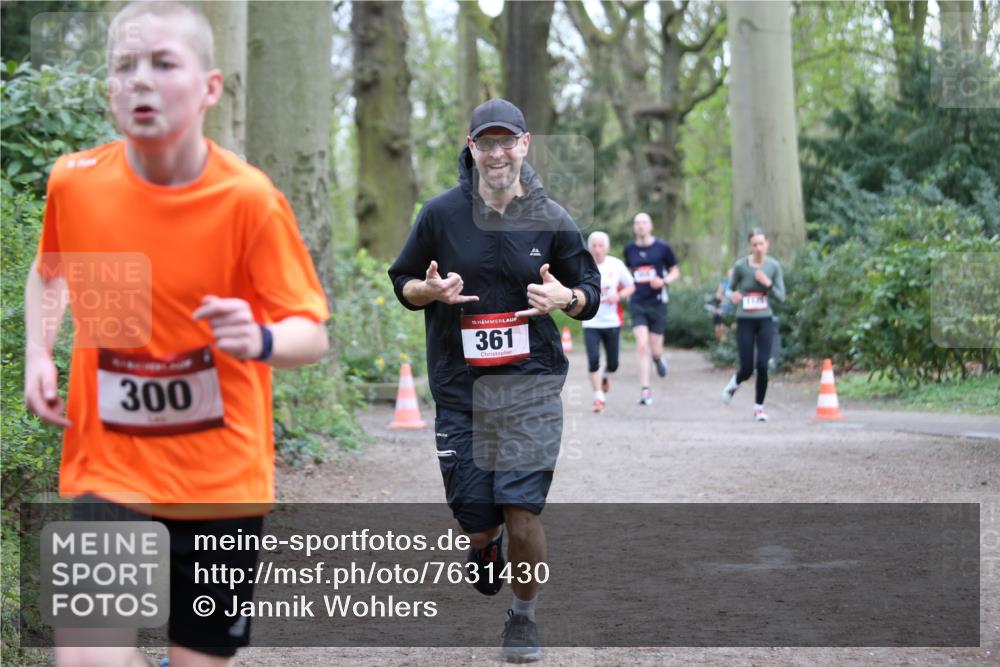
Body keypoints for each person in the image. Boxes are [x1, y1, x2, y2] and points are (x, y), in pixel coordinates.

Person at [23, 2, 330, 665]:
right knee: (86, 659)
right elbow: (49, 274)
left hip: (220, 482)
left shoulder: (248, 199)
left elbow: (311, 333)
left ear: (210, 87)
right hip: (110, 467)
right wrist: (39, 353)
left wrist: (261, 339)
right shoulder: (76, 184)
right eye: (124, 66)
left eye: (163, 63)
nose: (141, 80)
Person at [388, 98, 600, 663]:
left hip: (531, 386)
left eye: (508, 142)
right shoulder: (440, 215)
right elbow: (403, 280)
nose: (498, 153)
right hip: (461, 391)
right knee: (478, 523)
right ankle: (484, 547)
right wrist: (427, 292)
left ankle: (523, 618)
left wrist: (567, 298)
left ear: (525, 144)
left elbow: (590, 293)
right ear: (472, 147)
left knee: (522, 510)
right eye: (487, 143)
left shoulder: (552, 218)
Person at [721, 228, 786, 421]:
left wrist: (767, 283)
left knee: (763, 365)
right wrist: (732, 296)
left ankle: (759, 408)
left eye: (761, 244)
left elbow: (781, 297)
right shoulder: (741, 266)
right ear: (750, 246)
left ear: (767, 244)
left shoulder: (773, 266)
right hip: (745, 320)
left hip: (765, 319)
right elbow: (728, 289)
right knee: (747, 368)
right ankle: (735, 383)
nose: (758, 248)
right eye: (755, 244)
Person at [623, 212, 680, 406]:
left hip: (657, 302)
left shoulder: (662, 247)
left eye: (644, 222)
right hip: (637, 302)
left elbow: (675, 271)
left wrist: (663, 281)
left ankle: (658, 359)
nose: (640, 226)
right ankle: (645, 390)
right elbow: (628, 272)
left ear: (651, 226)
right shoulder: (629, 249)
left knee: (655, 350)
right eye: (637, 223)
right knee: (641, 345)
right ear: (634, 227)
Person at [582, 231, 634, 412]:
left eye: (600, 245)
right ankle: (599, 397)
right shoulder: (584, 266)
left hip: (612, 321)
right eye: (594, 246)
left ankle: (603, 374)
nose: (597, 249)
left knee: (613, 364)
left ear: (607, 247)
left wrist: (618, 296)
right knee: (593, 360)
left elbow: (631, 286)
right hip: (590, 322)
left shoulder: (616, 264)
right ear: (589, 248)